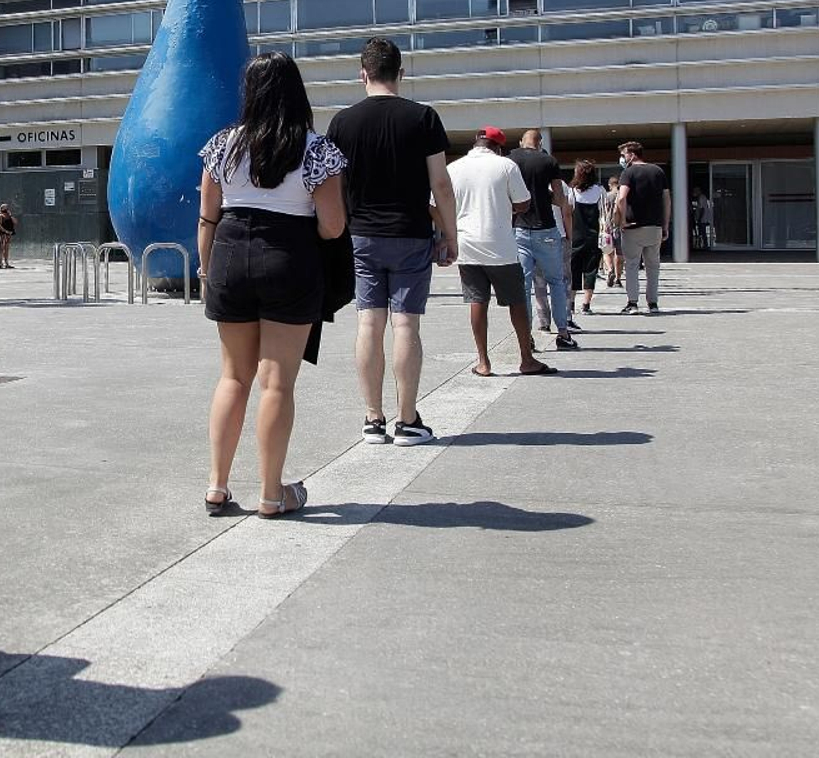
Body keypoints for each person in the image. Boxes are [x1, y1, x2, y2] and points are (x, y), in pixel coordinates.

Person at [197, 52, 346, 518]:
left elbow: (206, 218)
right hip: (289, 258)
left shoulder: (221, 145)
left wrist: (206, 270)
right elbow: (333, 226)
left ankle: (217, 486)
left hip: (228, 255)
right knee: (276, 382)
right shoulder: (317, 149)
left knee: (233, 376)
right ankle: (270, 494)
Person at [325, 37, 455, 447]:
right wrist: (450, 235)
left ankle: (373, 418)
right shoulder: (423, 118)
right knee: (405, 324)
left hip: (361, 236)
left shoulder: (342, 123)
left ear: (362, 74)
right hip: (410, 234)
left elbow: (334, 187)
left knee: (369, 322)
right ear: (400, 72)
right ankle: (407, 420)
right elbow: (441, 184)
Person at [447, 128, 555, 377]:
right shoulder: (505, 165)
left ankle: (483, 362)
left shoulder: (454, 168)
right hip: (501, 245)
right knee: (516, 301)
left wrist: (449, 231)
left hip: (467, 244)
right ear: (498, 147)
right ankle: (526, 359)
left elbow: (434, 203)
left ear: (476, 143)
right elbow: (523, 202)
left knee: (477, 301)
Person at [509, 130, 577, 350]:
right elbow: (559, 199)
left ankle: (526, 337)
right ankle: (563, 333)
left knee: (524, 285)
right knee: (556, 282)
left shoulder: (511, 159)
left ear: (522, 142)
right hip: (546, 228)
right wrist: (545, 195)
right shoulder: (549, 161)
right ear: (540, 143)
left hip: (519, 228)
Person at [614, 141, 670, 314]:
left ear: (632, 155)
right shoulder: (658, 171)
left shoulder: (628, 173)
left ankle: (632, 303)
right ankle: (653, 303)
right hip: (655, 226)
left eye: (623, 155)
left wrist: (622, 220)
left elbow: (622, 198)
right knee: (653, 266)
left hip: (633, 226)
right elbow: (666, 199)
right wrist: (665, 224)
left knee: (632, 265)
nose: (622, 158)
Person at [569, 161, 605, 314]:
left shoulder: (572, 192)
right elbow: (604, 214)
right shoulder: (600, 190)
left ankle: (571, 302)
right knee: (591, 270)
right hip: (593, 236)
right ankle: (586, 304)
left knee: (573, 270)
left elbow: (568, 213)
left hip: (575, 236)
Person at [601, 174, 622, 286]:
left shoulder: (607, 196)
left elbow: (602, 212)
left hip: (607, 226)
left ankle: (610, 269)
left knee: (607, 251)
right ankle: (618, 278)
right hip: (620, 227)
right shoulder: (622, 195)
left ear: (610, 185)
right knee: (619, 253)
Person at [0, 204, 18, 268]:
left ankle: (6, 263)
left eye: (7, 208)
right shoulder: (0, 216)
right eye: (5, 208)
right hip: (2, 234)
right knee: (1, 248)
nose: (6, 209)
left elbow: (15, 222)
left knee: (6, 248)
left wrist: (10, 216)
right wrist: (5, 231)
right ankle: (0, 263)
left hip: (8, 234)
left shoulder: (9, 216)